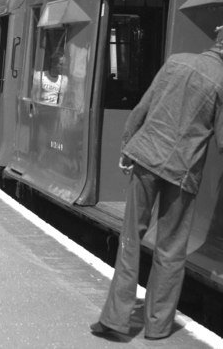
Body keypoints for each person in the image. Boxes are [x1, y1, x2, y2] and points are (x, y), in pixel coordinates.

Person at [91, 26, 223, 341]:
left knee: (130, 239)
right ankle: (158, 326)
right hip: (183, 171)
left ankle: (115, 320)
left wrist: (127, 147)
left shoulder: (176, 61)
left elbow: (142, 109)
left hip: (147, 157)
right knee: (172, 249)